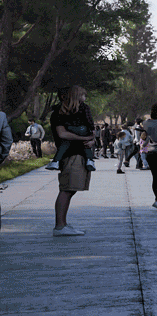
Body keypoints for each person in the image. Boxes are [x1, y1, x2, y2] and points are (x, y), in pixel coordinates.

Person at [50, 84, 95, 236]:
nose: (84, 99)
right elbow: (62, 134)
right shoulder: (59, 113)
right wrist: (84, 138)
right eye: (82, 95)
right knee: (67, 189)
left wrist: (91, 140)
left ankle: (62, 224)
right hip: (70, 154)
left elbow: (91, 131)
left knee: (70, 189)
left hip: (79, 153)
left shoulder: (80, 111)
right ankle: (60, 226)